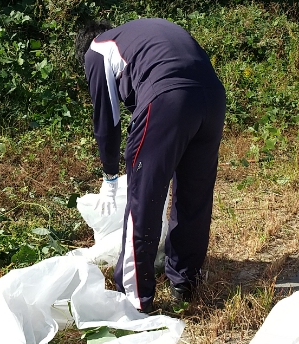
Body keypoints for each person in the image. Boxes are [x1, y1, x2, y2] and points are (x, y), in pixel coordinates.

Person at [76, 18, 226, 312]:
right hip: (212, 98)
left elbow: (107, 121)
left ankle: (136, 298)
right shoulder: (139, 35)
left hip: (168, 99)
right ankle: (185, 281)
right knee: (194, 196)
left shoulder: (97, 49)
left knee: (144, 199)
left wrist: (109, 176)